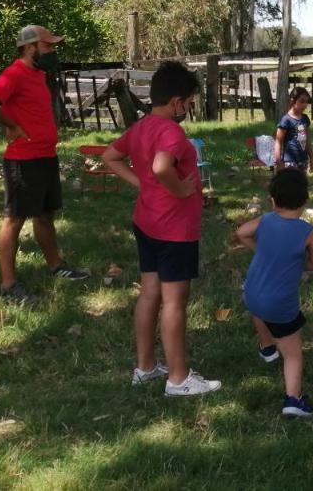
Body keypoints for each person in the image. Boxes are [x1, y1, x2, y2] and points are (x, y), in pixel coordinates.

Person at [101, 62, 222, 398]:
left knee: (150, 293)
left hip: (147, 223)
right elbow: (161, 166)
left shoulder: (141, 127)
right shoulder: (171, 131)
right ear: (176, 102)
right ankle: (179, 379)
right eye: (190, 102)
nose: (190, 108)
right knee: (174, 303)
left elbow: (111, 156)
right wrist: (180, 190)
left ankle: (145, 367)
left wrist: (142, 185)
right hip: (174, 229)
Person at [0, 24, 89, 304]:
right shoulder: (15, 73)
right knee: (14, 219)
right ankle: (8, 284)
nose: (52, 52)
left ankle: (56, 266)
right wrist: (12, 126)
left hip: (45, 155)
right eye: (48, 46)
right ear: (30, 48)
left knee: (45, 214)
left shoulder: (38, 74)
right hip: (23, 159)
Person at [236, 169, 313, 418]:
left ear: (273, 200)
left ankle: (266, 347)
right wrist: (302, 264)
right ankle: (294, 400)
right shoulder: (306, 231)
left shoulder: (265, 221)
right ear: (305, 200)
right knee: (293, 352)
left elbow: (241, 232)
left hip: (252, 293)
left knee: (260, 311)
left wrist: (259, 250)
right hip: (280, 304)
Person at [275, 87, 313, 173]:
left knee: (301, 185)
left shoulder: (305, 118)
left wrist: (312, 158)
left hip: (303, 160)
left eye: (306, 102)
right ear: (292, 101)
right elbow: (278, 142)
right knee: (291, 185)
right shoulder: (286, 120)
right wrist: (279, 163)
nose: (305, 105)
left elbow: (307, 139)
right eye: (302, 101)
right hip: (289, 162)